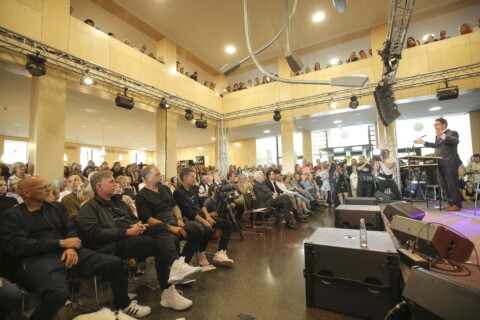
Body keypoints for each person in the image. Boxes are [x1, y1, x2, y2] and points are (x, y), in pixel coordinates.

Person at [0, 176, 152, 319]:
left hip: (69, 253)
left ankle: (123, 304)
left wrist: (70, 247)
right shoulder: (11, 215)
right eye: (43, 187)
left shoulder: (56, 208)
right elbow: (16, 246)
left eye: (48, 186)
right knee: (58, 294)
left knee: (114, 263)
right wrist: (60, 243)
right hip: (36, 260)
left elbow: (71, 228)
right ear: (26, 192)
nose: (49, 189)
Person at [77, 171, 202, 311]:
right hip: (114, 242)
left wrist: (139, 225)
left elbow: (134, 220)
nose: (115, 184)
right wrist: (127, 231)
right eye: (111, 182)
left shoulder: (119, 202)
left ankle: (175, 266)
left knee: (161, 228)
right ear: (99, 186)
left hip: (133, 233)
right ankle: (168, 290)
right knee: (160, 244)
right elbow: (94, 234)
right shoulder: (89, 207)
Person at [135, 166, 217, 266]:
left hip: (175, 221)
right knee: (174, 239)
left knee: (197, 230)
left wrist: (178, 219)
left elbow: (175, 206)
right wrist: (170, 228)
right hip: (160, 228)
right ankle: (176, 267)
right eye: (157, 174)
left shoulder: (164, 188)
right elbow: (148, 219)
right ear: (147, 178)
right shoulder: (141, 196)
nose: (161, 176)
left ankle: (182, 263)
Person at [415, 117, 461, 211]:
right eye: (434, 125)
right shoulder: (438, 135)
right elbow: (436, 146)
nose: (435, 126)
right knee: (444, 185)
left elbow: (455, 141)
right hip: (439, 163)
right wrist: (423, 142)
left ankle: (457, 205)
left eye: (437, 124)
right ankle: (450, 203)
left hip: (449, 163)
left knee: (452, 185)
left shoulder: (452, 132)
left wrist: (443, 136)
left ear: (444, 125)